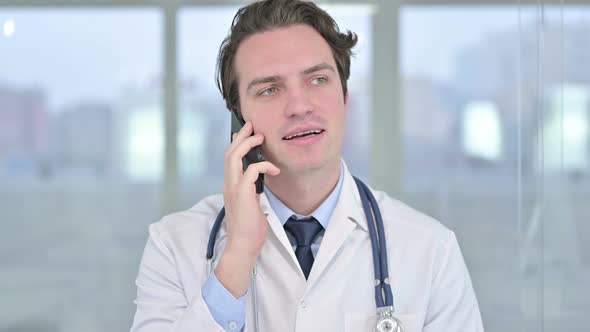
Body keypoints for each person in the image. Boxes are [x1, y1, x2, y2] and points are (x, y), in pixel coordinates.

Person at [129, 0, 484, 331]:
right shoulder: (174, 246)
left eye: (318, 80)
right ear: (238, 118)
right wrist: (236, 256)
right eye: (269, 89)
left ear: (344, 98)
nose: (299, 106)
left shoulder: (431, 251)